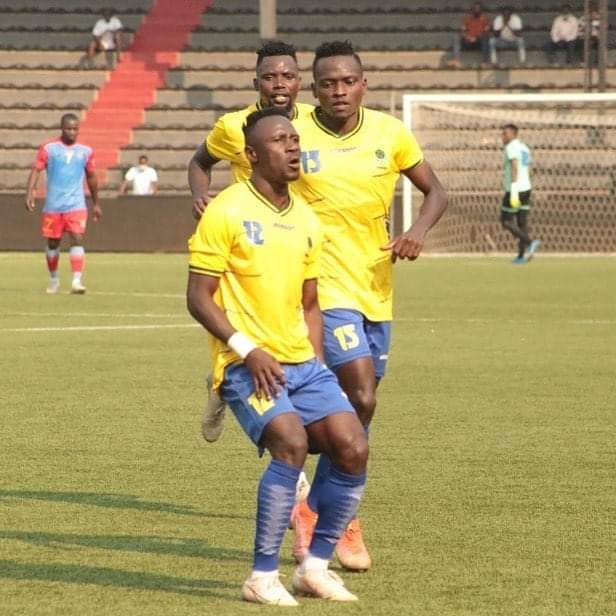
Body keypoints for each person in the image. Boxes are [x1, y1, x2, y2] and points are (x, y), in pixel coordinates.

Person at [187, 107, 368, 604]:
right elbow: (198, 297)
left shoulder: (307, 219)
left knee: (353, 445)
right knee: (290, 443)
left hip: (303, 362)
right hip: (245, 364)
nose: (292, 147)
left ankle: (314, 567)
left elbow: (310, 304)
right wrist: (247, 350)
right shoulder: (225, 211)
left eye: (294, 139)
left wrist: (316, 363)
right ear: (251, 154)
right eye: (279, 141)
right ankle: (262, 577)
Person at [289, 40, 448, 572]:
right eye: (327, 83)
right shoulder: (293, 131)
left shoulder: (390, 133)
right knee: (361, 395)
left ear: (363, 84)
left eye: (347, 81)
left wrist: (416, 231)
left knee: (359, 408)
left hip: (376, 286)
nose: (338, 90)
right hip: (321, 285)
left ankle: (319, 508)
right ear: (314, 90)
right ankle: (337, 516)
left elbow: (436, 192)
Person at [188, 40, 313, 449]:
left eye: (287, 76)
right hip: (249, 246)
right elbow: (200, 162)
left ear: (300, 82)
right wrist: (200, 197)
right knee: (244, 331)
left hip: (302, 243)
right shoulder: (233, 127)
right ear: (255, 82)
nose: (279, 84)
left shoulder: (314, 123)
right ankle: (228, 381)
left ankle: (240, 388)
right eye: (269, 76)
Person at [25, 113, 101, 294]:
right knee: (53, 243)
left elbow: (91, 177)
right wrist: (30, 192)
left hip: (76, 204)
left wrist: (96, 203)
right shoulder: (49, 148)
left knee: (77, 237)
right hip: (54, 205)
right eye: (68, 129)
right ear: (62, 128)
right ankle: (54, 280)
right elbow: (36, 170)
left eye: (75, 129)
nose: (72, 132)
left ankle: (76, 281)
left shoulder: (85, 151)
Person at [500, 123, 540, 264]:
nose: (502, 136)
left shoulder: (512, 147)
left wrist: (514, 187)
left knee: (506, 221)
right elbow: (528, 168)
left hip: (515, 189)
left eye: (505, 134)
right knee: (522, 223)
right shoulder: (524, 147)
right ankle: (521, 256)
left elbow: (515, 165)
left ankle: (530, 242)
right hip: (526, 188)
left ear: (513, 134)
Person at [448, 2, 491, 68]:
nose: (476, 10)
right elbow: (462, 31)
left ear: (481, 10)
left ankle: (485, 62)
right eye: (475, 8)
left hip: (479, 43)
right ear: (472, 10)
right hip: (468, 42)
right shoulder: (467, 18)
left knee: (485, 38)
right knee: (456, 37)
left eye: (478, 8)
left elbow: (486, 32)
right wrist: (467, 37)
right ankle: (456, 60)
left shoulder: (485, 19)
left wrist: (476, 38)